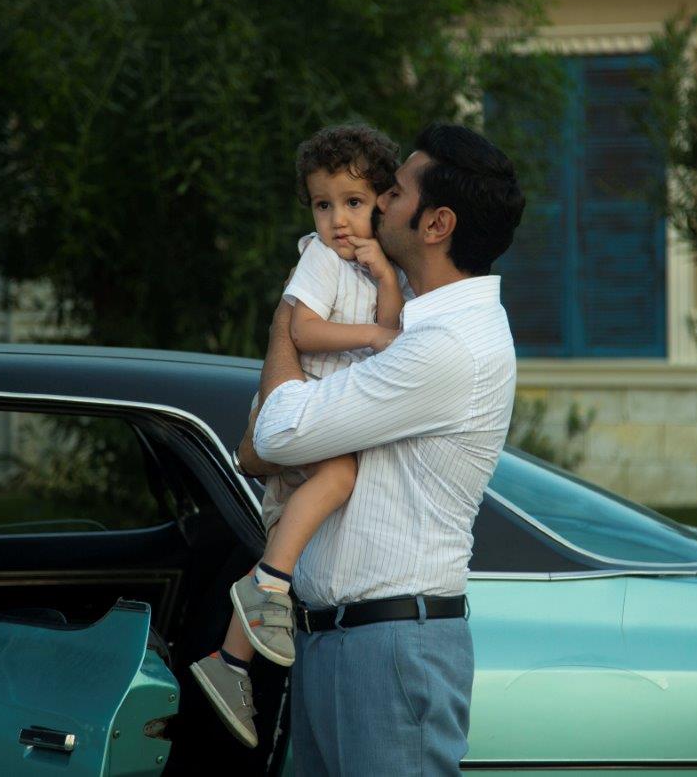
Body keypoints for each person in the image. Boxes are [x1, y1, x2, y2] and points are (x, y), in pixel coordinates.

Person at [237, 123, 524, 775]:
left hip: (391, 648)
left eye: (393, 193)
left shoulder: (445, 346)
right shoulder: (405, 317)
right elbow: (257, 450)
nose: (377, 203)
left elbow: (274, 435)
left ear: (437, 223)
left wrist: (288, 317)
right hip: (334, 638)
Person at [189, 123, 406, 748]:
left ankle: (229, 661)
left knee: (285, 538)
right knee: (338, 477)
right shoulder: (320, 258)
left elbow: (393, 331)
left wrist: (387, 282)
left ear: (383, 201)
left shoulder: (376, 269)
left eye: (353, 202)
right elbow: (303, 331)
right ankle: (263, 595)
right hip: (296, 409)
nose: (338, 219)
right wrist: (371, 334)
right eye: (323, 204)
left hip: (324, 418)